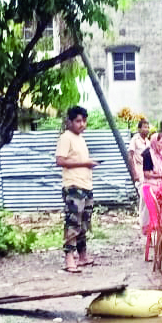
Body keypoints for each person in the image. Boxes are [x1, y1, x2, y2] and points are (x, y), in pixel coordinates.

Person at [55, 106, 98, 273]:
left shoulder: (80, 138)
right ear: (70, 122)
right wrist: (85, 164)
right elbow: (60, 161)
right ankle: (69, 259)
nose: (82, 124)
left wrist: (88, 164)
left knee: (84, 222)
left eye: (84, 121)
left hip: (86, 185)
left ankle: (83, 256)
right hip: (73, 186)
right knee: (73, 222)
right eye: (78, 121)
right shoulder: (66, 137)